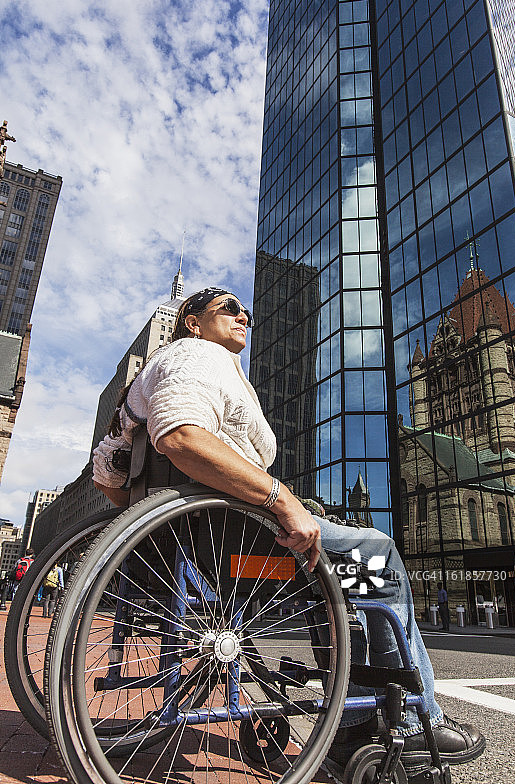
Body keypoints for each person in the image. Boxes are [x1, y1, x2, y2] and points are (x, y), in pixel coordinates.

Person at [93, 288, 485, 771]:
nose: (243, 317)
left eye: (246, 311)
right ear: (192, 323)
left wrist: (165, 524)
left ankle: (352, 724)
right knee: (375, 553)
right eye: (228, 309)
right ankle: (410, 719)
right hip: (243, 543)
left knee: (340, 589)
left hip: (199, 544)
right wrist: (282, 500)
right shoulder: (198, 355)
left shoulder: (141, 390)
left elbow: (109, 480)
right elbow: (181, 436)